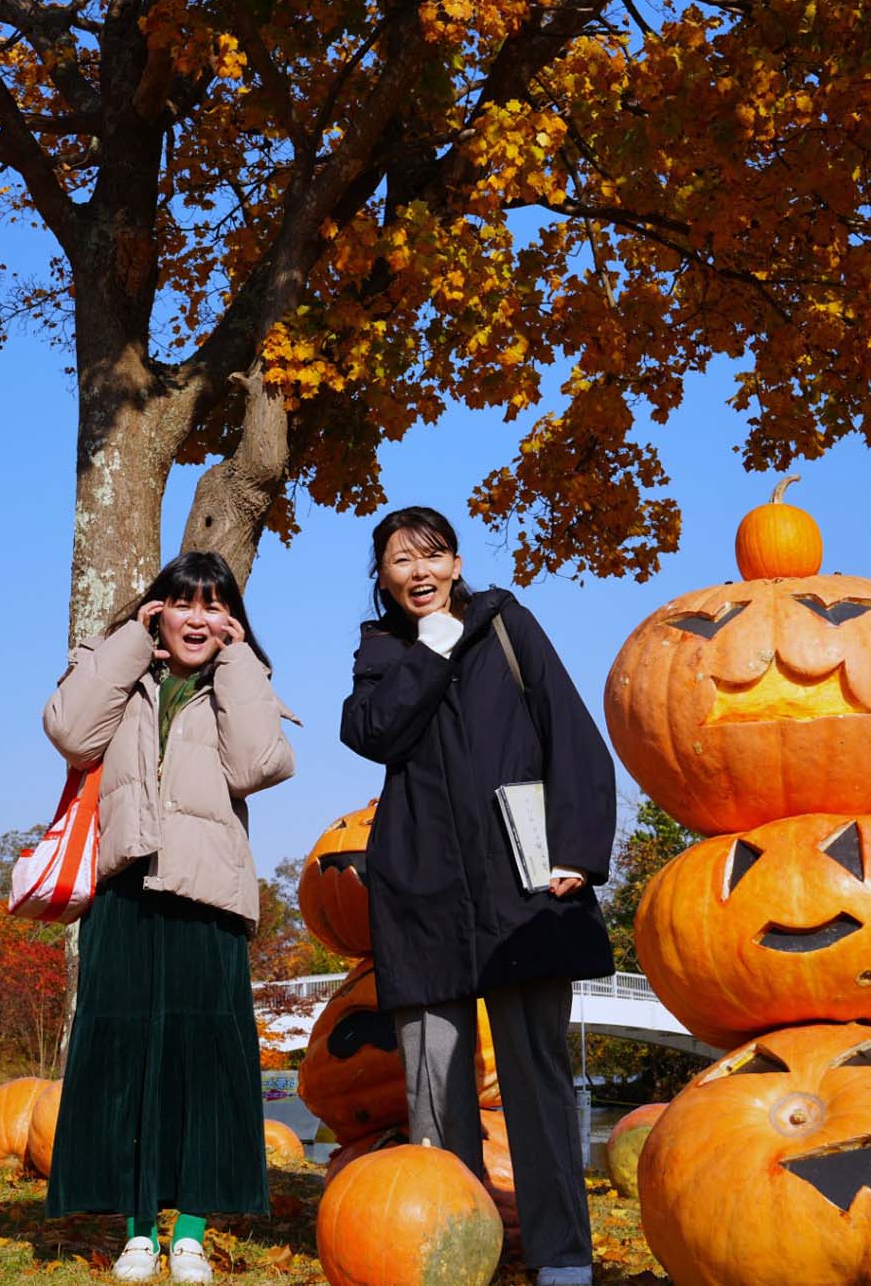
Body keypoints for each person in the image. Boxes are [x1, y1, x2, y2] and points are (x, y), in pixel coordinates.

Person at [339, 507, 615, 1286]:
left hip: (521, 876)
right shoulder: (383, 650)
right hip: (421, 886)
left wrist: (579, 853)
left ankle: (563, 1255)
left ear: (456, 563)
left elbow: (570, 729)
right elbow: (371, 733)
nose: (418, 571)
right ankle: (450, 1255)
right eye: (400, 560)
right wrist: (427, 654)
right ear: (383, 577)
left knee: (537, 1077)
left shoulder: (505, 623)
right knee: (438, 1091)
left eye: (431, 555)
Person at [42, 551, 297, 1284]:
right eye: (184, 602)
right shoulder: (122, 675)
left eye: (216, 606)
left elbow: (257, 765)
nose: (199, 618)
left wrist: (243, 665)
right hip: (124, 888)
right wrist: (129, 641)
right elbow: (69, 733)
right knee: (123, 1064)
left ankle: (189, 1228)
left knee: (205, 1066)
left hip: (209, 894)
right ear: (158, 609)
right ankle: (135, 1226)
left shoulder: (241, 686)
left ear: (234, 622)